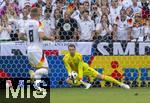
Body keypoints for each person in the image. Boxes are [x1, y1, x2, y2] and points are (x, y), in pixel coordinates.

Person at [63, 44, 130, 89]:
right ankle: (82, 84)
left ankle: (121, 84)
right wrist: (70, 74)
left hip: (84, 69)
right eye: (70, 50)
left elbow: (80, 68)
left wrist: (80, 77)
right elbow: (68, 69)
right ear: (68, 50)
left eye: (73, 49)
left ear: (75, 49)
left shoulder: (79, 56)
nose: (71, 51)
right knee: (68, 80)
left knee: (101, 77)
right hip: (75, 72)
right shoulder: (65, 58)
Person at [19, 7, 50, 93]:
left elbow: (20, 36)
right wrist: (50, 38)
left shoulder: (26, 24)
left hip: (29, 50)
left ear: (31, 15)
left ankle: (38, 89)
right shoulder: (39, 23)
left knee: (39, 69)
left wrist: (28, 39)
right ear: (38, 14)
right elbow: (41, 36)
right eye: (40, 13)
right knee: (46, 69)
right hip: (37, 49)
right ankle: (33, 74)